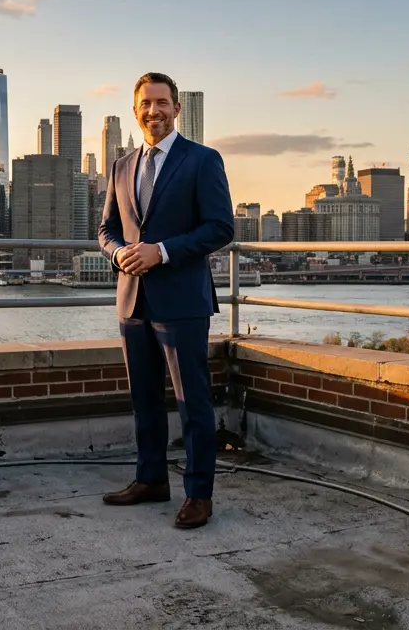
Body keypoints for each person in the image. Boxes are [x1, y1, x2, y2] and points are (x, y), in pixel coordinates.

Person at [96, 72, 235, 529]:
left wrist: (163, 251)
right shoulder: (120, 166)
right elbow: (106, 230)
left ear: (176, 108)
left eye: (162, 103)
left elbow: (220, 227)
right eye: (145, 104)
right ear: (135, 110)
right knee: (144, 400)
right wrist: (119, 252)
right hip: (132, 299)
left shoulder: (202, 160)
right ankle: (151, 479)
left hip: (182, 300)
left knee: (191, 400)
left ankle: (199, 494)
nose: (153, 111)